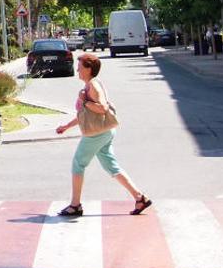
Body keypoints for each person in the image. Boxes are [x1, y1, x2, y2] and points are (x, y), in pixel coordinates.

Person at [54, 53, 152, 217]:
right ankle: (139, 198)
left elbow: (102, 108)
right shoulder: (90, 85)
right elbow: (85, 115)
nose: (77, 69)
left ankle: (75, 204)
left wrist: (85, 100)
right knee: (111, 166)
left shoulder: (93, 85)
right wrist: (66, 127)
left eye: (80, 66)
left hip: (96, 134)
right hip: (103, 131)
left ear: (88, 68)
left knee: (78, 164)